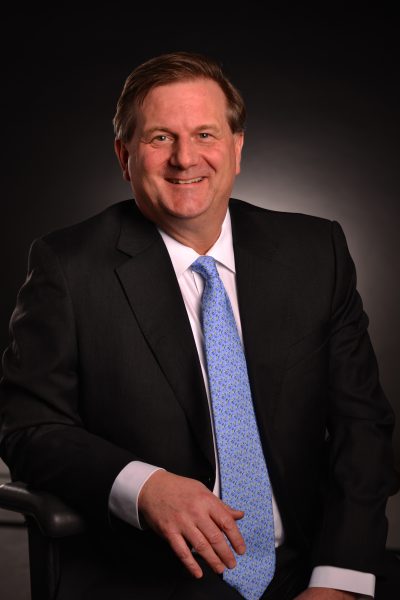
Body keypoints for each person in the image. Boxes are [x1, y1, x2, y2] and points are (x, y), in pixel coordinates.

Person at [0, 51, 398, 600]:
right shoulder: (69, 268)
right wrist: (145, 487)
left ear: (237, 148)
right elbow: (28, 428)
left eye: (205, 134)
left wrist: (340, 580)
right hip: (152, 577)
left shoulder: (315, 252)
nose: (184, 158)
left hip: (309, 564)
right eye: (160, 137)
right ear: (124, 155)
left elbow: (362, 428)